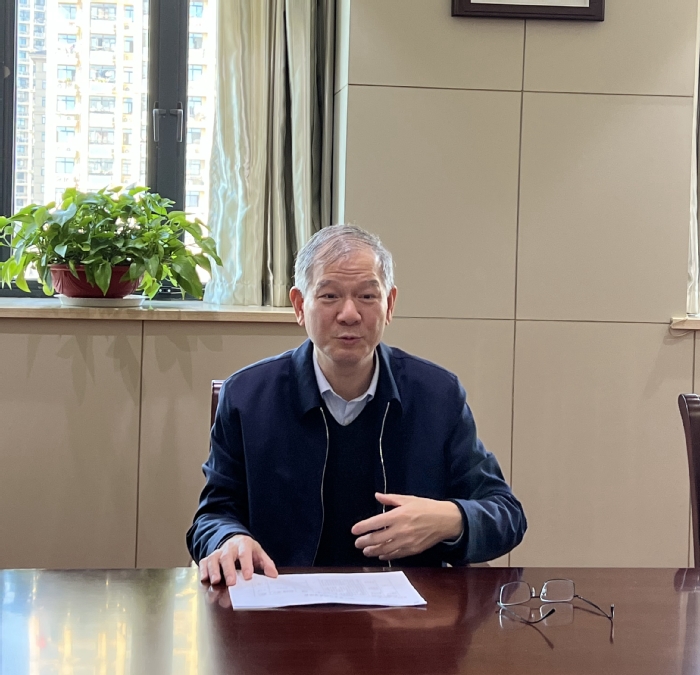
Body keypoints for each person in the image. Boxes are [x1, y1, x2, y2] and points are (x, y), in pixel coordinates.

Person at [187, 225, 526, 585]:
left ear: (389, 304)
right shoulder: (247, 396)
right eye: (330, 296)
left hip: (407, 612)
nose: (349, 314)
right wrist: (228, 539)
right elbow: (212, 515)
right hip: (281, 603)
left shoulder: (437, 395)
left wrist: (450, 519)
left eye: (367, 296)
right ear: (300, 306)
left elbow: (506, 514)